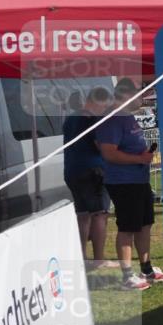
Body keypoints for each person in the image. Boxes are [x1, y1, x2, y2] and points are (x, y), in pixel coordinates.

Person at [96, 78, 163, 290]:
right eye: (140, 92)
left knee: (145, 225)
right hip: (123, 182)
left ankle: (146, 269)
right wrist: (139, 159)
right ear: (127, 95)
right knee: (127, 227)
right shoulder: (113, 118)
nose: (143, 97)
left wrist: (143, 157)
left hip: (139, 180)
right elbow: (108, 153)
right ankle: (127, 275)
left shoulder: (127, 117)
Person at [63, 87, 116, 269]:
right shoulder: (93, 120)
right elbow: (100, 145)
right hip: (93, 171)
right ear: (97, 102)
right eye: (104, 106)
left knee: (83, 215)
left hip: (72, 171)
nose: (105, 110)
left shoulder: (70, 118)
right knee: (100, 214)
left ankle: (82, 257)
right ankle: (99, 259)